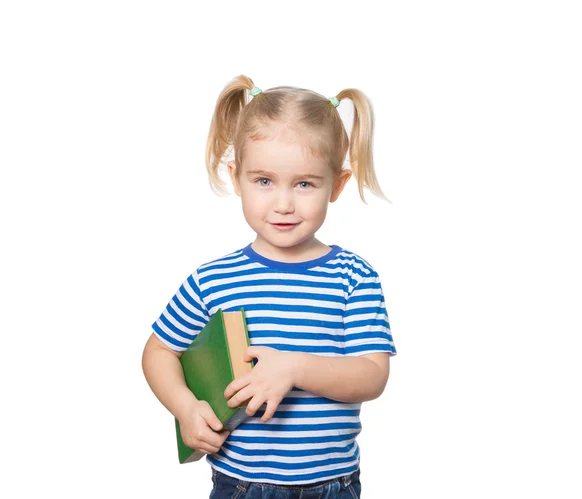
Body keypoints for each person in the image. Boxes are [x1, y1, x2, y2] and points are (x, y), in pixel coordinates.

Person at [142, 75, 397, 498]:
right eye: (264, 181)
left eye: (304, 184)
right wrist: (184, 407)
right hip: (240, 486)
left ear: (336, 185)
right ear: (236, 176)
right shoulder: (213, 279)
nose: (283, 203)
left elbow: (372, 375)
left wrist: (293, 368)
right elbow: (158, 351)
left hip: (332, 487)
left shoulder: (354, 276)